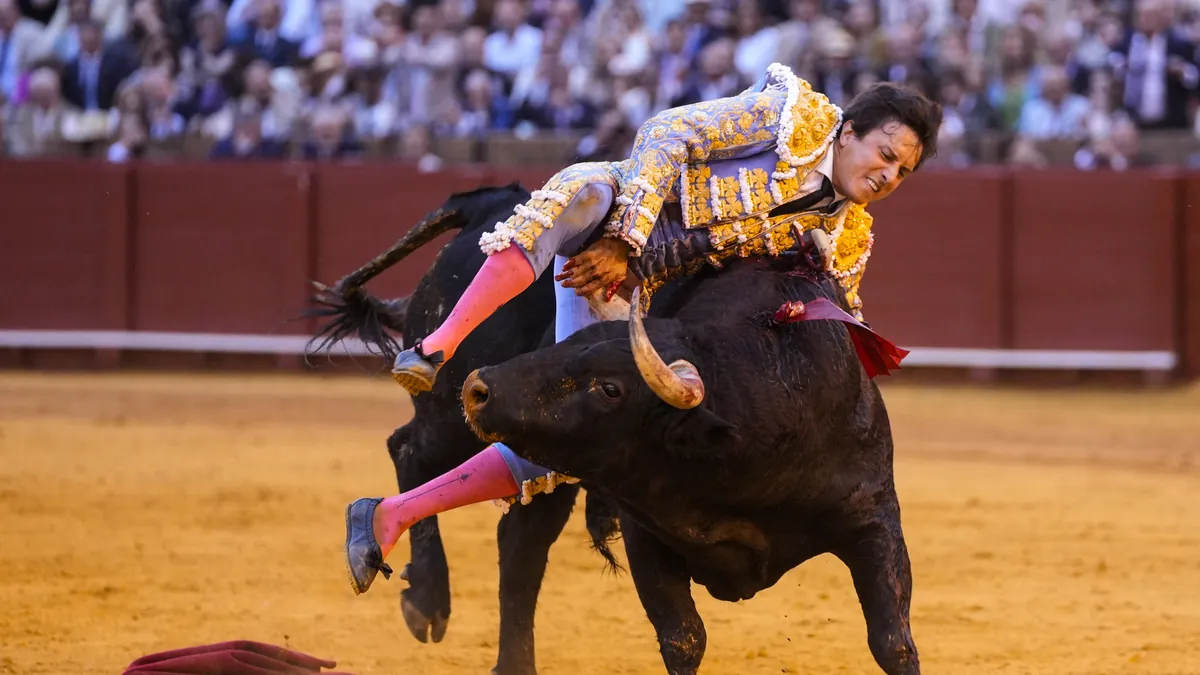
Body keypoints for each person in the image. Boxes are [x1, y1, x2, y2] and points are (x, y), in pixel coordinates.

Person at [345, 62, 942, 595]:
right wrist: (624, 239)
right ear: (848, 132)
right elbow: (667, 130)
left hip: (637, 306)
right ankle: (435, 345)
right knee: (576, 195)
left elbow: (834, 331)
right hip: (613, 220)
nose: (889, 175)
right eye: (886, 155)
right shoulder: (790, 116)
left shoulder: (848, 237)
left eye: (904, 171)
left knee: (566, 447)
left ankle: (390, 513)